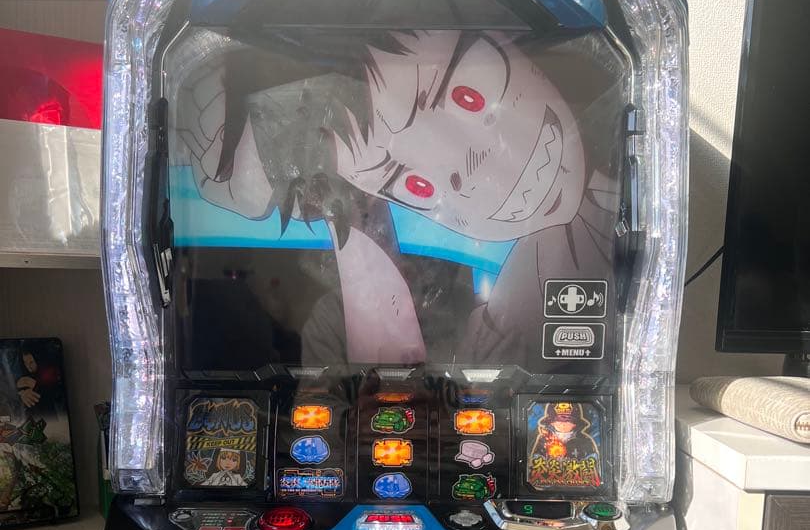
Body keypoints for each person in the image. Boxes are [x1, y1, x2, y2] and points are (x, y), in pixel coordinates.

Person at [176, 26, 625, 367]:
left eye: (465, 98)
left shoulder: (507, 294)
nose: (466, 179)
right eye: (413, 188)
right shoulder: (517, 300)